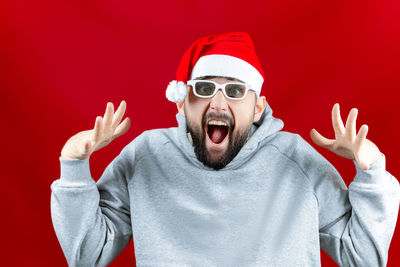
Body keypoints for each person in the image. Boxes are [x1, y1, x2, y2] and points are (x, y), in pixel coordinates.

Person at [51, 32, 400, 266]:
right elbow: (88, 255)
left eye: (235, 92)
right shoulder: (145, 156)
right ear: (182, 104)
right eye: (203, 89)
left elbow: (364, 257)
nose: (217, 103)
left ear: (258, 107)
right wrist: (74, 166)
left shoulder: (296, 160)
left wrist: (372, 174)